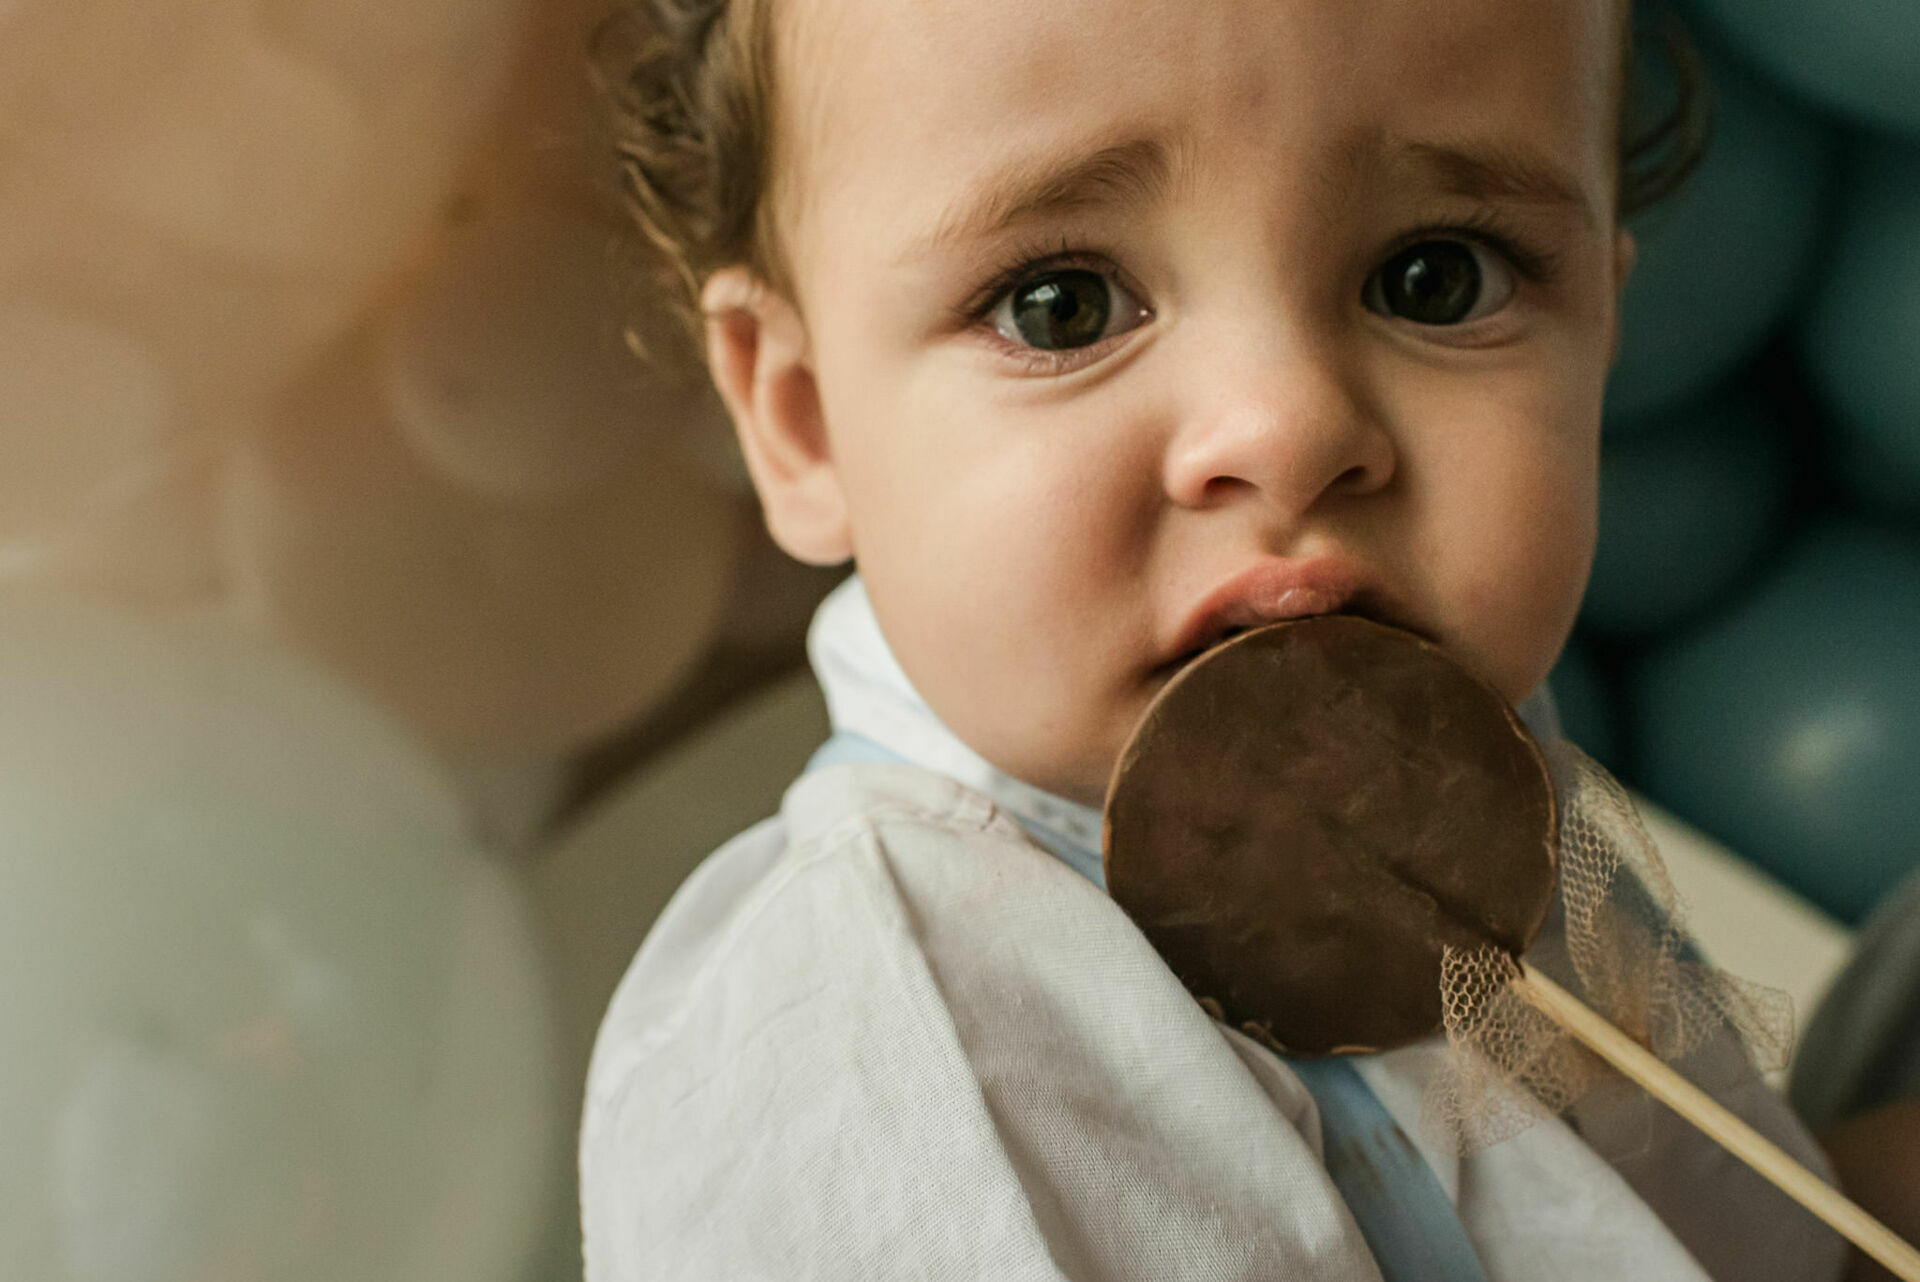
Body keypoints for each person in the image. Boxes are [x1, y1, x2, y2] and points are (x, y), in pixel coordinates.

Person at [580, 0, 1846, 1277]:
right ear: (803, 422)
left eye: (1437, 277)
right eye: (1060, 306)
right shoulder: (887, 1062)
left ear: (1601, 332)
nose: (1289, 425)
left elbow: (1764, 1235)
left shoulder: (1471, 794)